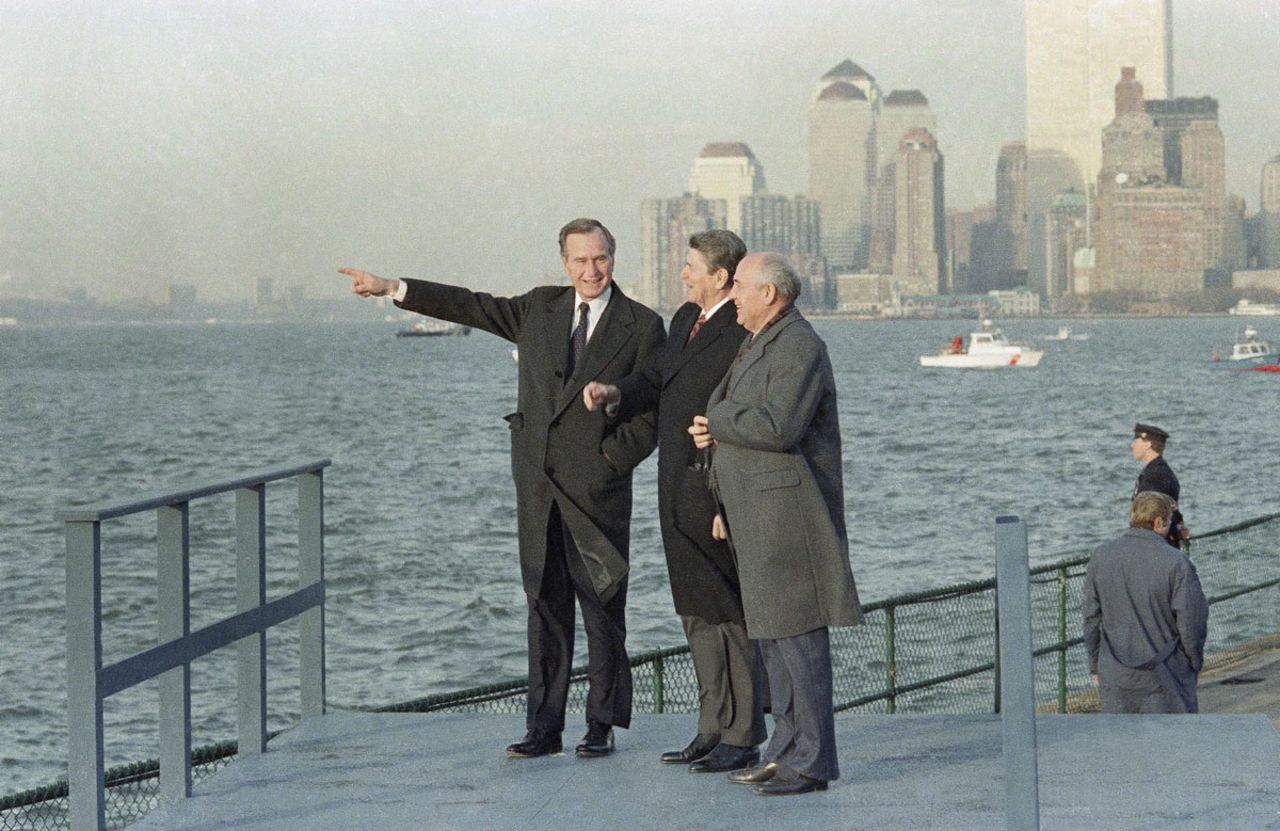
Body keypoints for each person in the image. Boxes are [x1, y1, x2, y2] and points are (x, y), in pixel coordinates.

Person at [339, 218, 665, 759]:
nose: (592, 270)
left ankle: (600, 725)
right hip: (538, 487)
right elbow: (469, 305)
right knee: (544, 606)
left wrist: (612, 460)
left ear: (615, 257)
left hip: (597, 492)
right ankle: (544, 729)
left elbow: (654, 405)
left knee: (603, 607)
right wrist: (392, 287)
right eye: (581, 260)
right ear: (564, 262)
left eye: (601, 258)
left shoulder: (643, 325)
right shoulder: (539, 308)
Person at [582, 230, 766, 773]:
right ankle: (711, 726)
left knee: (730, 612)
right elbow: (657, 377)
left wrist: (725, 502)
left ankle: (744, 732)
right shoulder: (687, 319)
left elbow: (743, 407)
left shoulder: (743, 328)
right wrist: (615, 392)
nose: (682, 274)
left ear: (721, 277)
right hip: (672, 485)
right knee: (693, 609)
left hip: (714, 486)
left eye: (690, 267)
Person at [688, 252, 862, 797]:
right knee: (773, 640)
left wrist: (715, 422)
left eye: (740, 285)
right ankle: (785, 751)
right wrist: (722, 496)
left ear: (770, 293)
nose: (732, 294)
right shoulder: (765, 339)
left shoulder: (800, 345)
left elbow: (779, 425)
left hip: (789, 517)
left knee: (798, 640)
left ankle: (811, 763)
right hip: (758, 514)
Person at [1082, 491, 1209, 713]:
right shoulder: (1178, 563)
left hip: (1116, 674)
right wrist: (1194, 662)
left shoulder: (1100, 557)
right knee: (1172, 743)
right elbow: (1191, 623)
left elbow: (1091, 619)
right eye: (1170, 521)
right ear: (1159, 522)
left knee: (1122, 743)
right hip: (1166, 675)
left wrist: (1095, 666)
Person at [1130, 422, 1188, 548]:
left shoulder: (1155, 476)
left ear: (1148, 444)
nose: (1132, 445)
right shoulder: (1158, 471)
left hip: (1154, 547)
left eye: (1136, 440)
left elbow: (1148, 517)